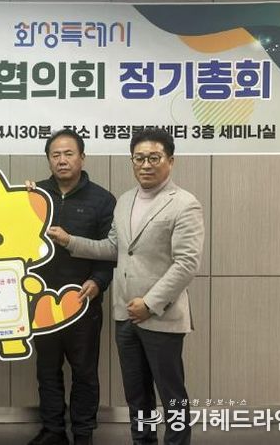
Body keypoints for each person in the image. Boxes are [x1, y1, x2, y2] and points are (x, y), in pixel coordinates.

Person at [49, 127, 204, 445]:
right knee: (137, 395)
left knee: (171, 394)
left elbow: (186, 263)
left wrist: (149, 303)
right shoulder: (125, 201)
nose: (145, 165)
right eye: (139, 158)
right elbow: (113, 248)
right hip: (125, 315)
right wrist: (69, 241)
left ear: (170, 161)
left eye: (154, 158)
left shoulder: (184, 203)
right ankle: (142, 441)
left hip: (161, 315)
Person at [27, 129, 116, 445]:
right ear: (48, 159)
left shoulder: (102, 200)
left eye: (68, 154)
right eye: (55, 155)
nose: (62, 160)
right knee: (47, 370)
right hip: (41, 302)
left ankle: (82, 432)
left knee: (85, 372)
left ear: (82, 157)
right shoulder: (35, 195)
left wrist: (98, 282)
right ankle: (53, 430)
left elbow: (111, 250)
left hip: (83, 302)